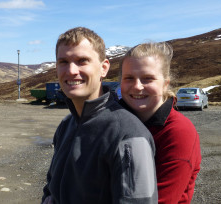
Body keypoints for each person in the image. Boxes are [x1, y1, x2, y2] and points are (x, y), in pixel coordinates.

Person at [41, 27, 158, 204]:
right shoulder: (66, 125)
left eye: (82, 61)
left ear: (103, 68)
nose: (71, 70)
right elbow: (51, 190)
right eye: (63, 61)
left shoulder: (129, 134)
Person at [119, 42, 202, 204]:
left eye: (147, 79)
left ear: (165, 84)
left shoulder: (178, 132)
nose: (137, 86)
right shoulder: (115, 121)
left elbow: (161, 200)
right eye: (129, 78)